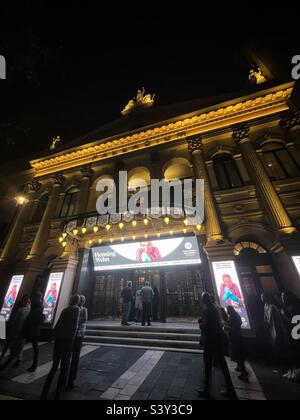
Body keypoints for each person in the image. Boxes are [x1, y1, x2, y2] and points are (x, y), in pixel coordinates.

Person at [41, 295, 81, 401]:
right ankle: (58, 394)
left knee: (54, 366)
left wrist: (54, 336)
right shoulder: (77, 309)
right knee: (64, 367)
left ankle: (44, 392)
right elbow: (75, 325)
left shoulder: (65, 309)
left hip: (59, 339)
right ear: (77, 301)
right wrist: (72, 338)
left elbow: (58, 323)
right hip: (67, 340)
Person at [199, 292, 236, 399]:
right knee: (222, 363)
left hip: (210, 340)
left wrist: (201, 324)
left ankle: (206, 388)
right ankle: (229, 386)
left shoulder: (207, 310)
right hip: (218, 339)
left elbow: (206, 326)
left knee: (207, 364)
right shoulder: (215, 309)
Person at [0, 296, 31, 370]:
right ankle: (17, 360)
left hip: (15, 330)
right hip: (22, 332)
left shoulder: (20, 309)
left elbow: (14, 320)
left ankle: (3, 359)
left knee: (9, 345)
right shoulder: (29, 309)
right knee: (19, 347)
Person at [67, 295, 89, 390]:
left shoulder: (83, 310)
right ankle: (66, 376)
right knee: (68, 356)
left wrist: (76, 320)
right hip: (72, 334)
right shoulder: (73, 309)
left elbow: (84, 320)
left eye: (82, 300)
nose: (80, 301)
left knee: (75, 356)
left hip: (79, 334)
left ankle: (71, 378)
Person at [22, 292, 45, 372]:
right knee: (33, 346)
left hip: (33, 328)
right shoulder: (38, 305)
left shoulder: (38, 305)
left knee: (34, 346)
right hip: (33, 328)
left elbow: (33, 315)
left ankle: (34, 365)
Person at [225, 306, 248, 379]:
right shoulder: (234, 316)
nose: (227, 312)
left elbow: (233, 329)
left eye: (227, 310)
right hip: (235, 338)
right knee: (237, 354)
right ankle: (240, 367)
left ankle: (243, 372)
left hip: (236, 338)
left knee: (239, 354)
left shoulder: (234, 317)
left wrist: (226, 327)